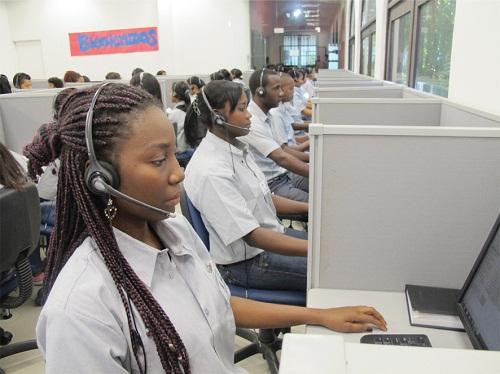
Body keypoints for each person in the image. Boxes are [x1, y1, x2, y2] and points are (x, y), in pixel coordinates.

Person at [25, 83, 386, 373]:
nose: (178, 172)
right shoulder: (80, 311)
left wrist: (319, 315)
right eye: (157, 159)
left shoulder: (174, 230)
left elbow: (220, 305)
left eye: (172, 155)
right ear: (100, 177)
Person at [184, 80, 309, 291]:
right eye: (242, 109)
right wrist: (317, 251)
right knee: (328, 267)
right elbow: (252, 236)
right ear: (218, 117)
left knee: (325, 250)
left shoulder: (237, 148)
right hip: (247, 264)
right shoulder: (211, 170)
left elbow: (264, 197)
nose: (249, 114)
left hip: (269, 238)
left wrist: (310, 209)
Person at [240, 69, 309, 202]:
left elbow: (283, 151)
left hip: (285, 175)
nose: (281, 93)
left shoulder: (268, 116)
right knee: (322, 205)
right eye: (276, 88)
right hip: (273, 184)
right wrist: (317, 172)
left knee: (325, 187)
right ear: (261, 91)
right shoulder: (252, 121)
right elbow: (282, 157)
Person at [270, 74, 310, 156]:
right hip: (291, 156)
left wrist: (309, 137)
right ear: (280, 90)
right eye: (291, 89)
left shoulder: (282, 107)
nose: (293, 92)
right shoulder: (276, 114)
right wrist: (309, 143)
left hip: (295, 148)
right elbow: (285, 150)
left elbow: (291, 137)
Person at [168, 81, 192, 163]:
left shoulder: (174, 114)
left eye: (171, 91)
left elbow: (171, 137)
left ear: (175, 94)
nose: (170, 93)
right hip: (191, 152)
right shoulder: (190, 109)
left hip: (180, 156)